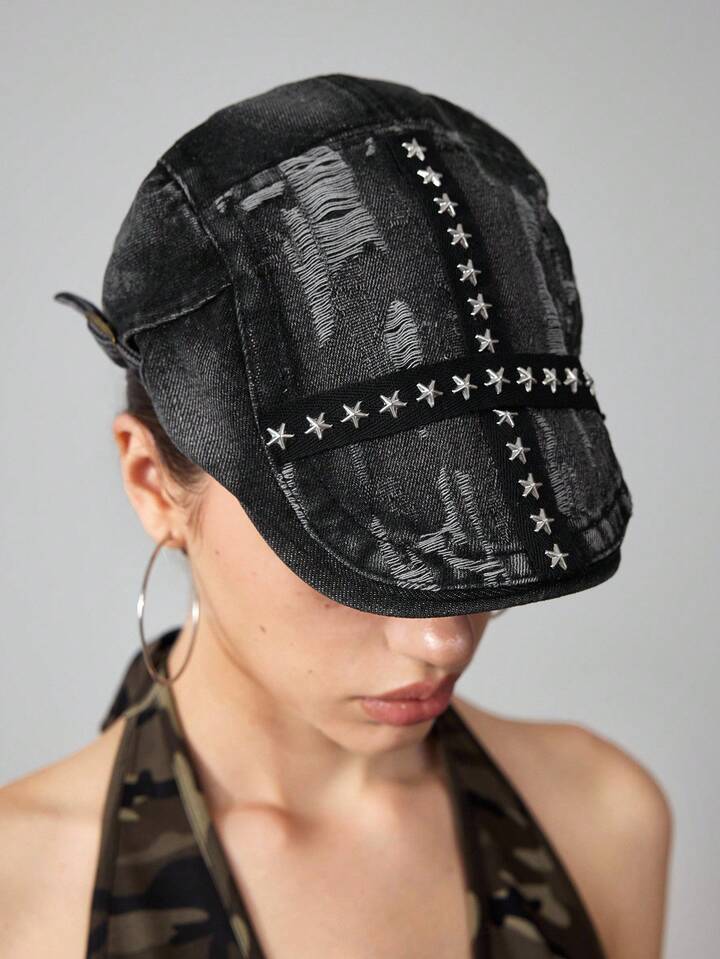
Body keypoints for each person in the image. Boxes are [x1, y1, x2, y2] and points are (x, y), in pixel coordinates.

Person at [0, 73, 672, 958]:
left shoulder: (602, 819)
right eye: (354, 543)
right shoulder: (21, 894)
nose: (442, 641)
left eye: (479, 526)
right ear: (153, 483)